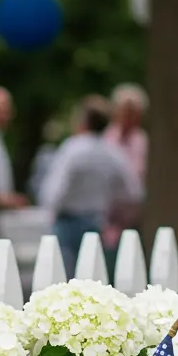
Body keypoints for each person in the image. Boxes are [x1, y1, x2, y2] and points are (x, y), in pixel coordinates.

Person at [39, 96, 143, 273]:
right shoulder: (111, 152)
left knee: (64, 277)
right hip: (97, 220)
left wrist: (50, 210)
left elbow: (56, 190)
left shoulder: (73, 148)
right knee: (92, 275)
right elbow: (132, 192)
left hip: (67, 221)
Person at [104, 84, 149, 184]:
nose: (128, 117)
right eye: (125, 111)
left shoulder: (143, 141)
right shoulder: (104, 137)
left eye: (133, 113)